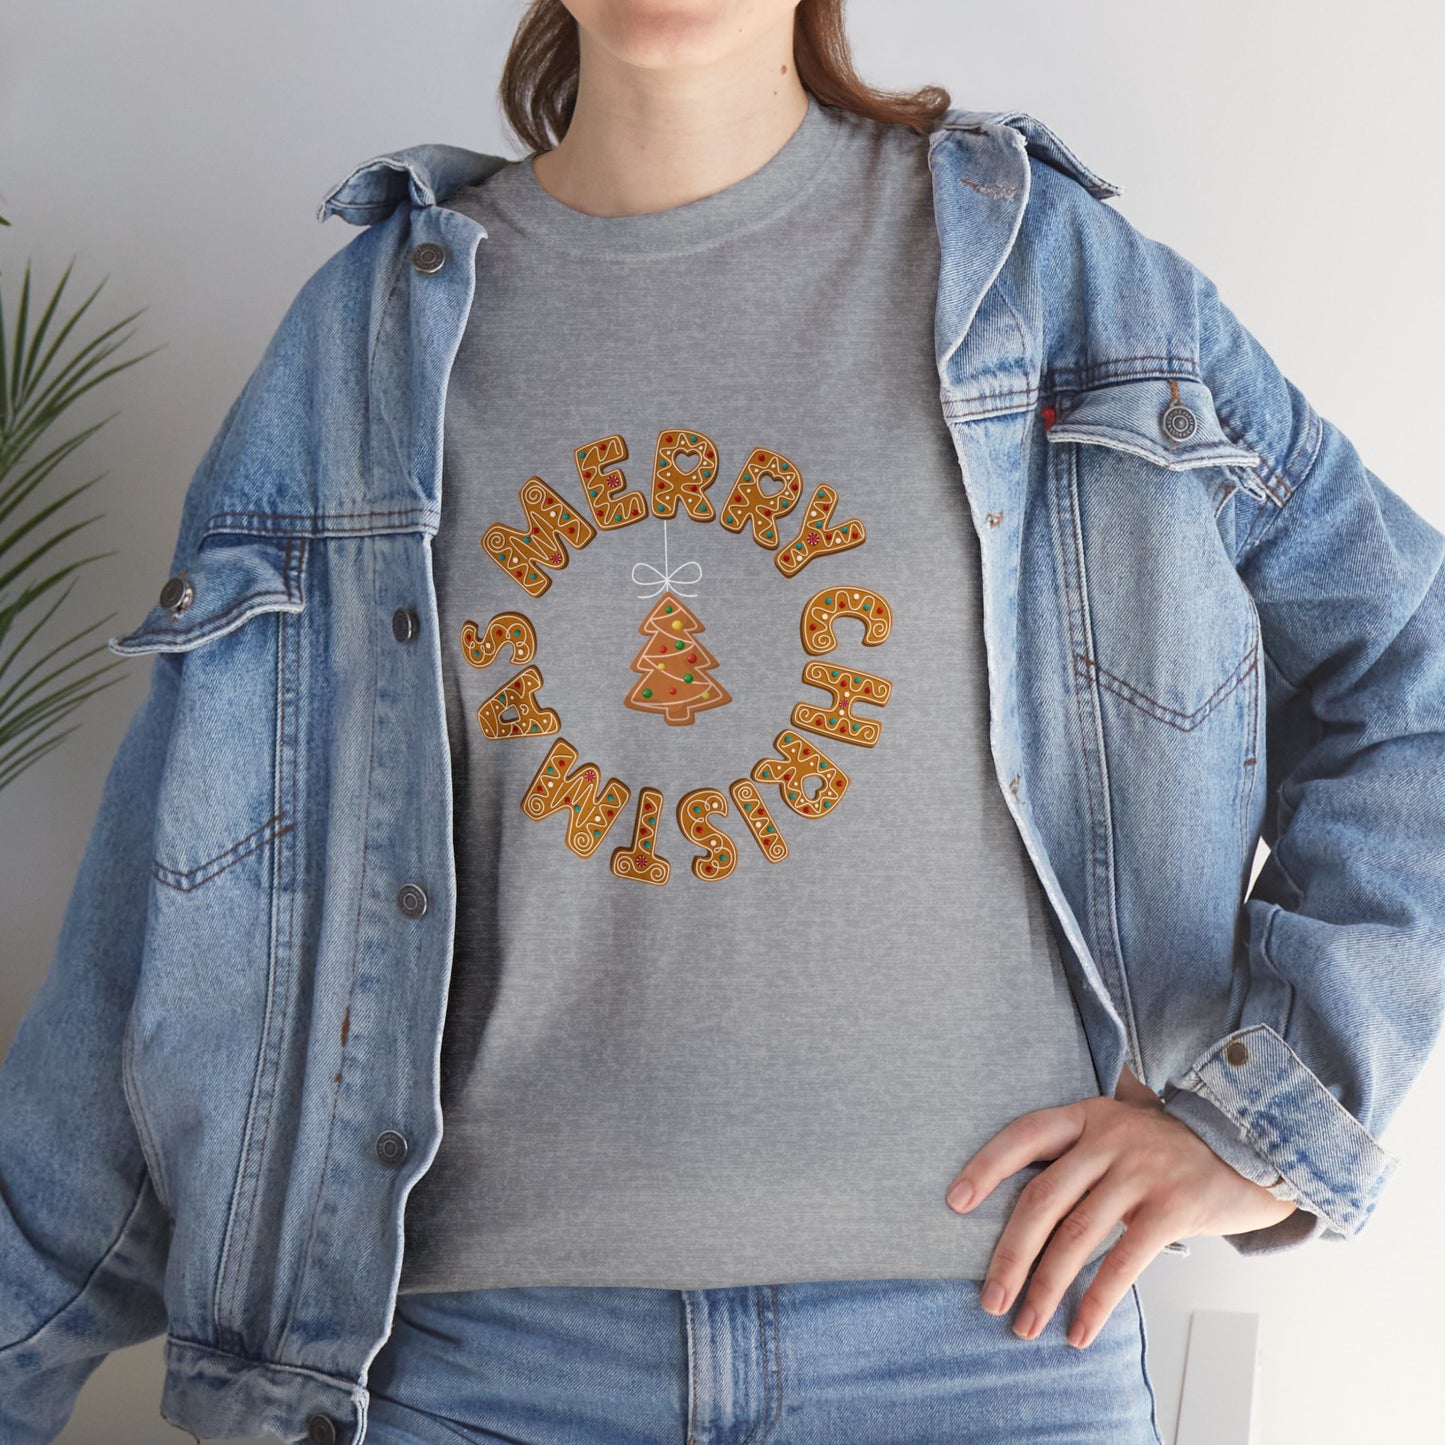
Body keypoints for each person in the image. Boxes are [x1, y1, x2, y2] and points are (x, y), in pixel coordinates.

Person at [3, 2, 1442, 1442]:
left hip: (984, 1349)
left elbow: (1408, 668)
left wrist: (1270, 1123)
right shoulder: (358, 344)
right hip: (470, 1371)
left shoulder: (1059, 286)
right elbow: (174, 924)